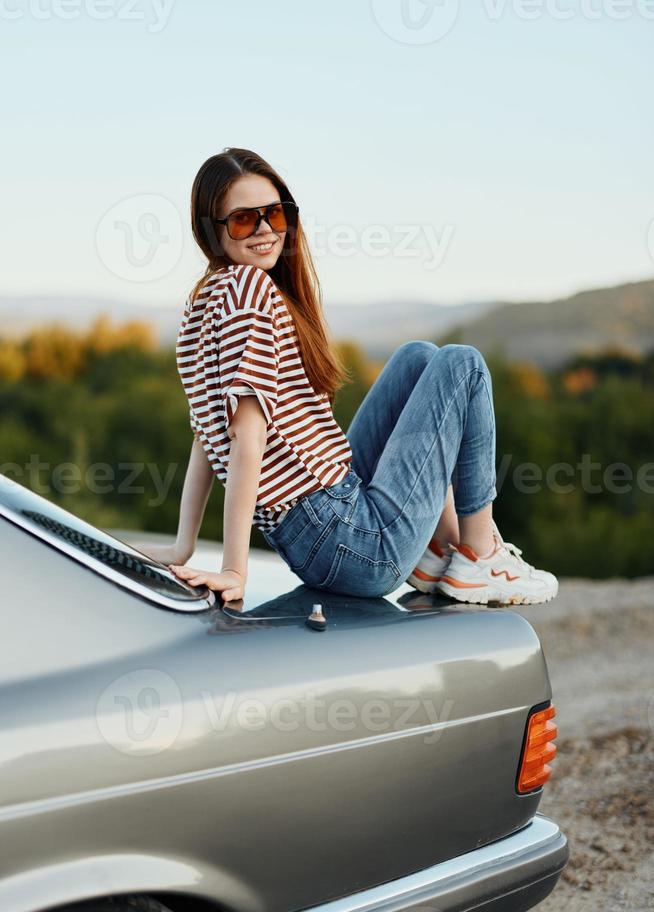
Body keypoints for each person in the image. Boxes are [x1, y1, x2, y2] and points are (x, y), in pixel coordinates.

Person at [143, 147, 558, 606]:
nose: (264, 230)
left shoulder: (203, 302)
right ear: (212, 231)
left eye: (275, 215)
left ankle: (441, 546)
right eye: (244, 220)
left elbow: (206, 432)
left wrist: (184, 544)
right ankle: (479, 558)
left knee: (417, 358)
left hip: (323, 529)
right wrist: (234, 569)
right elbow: (244, 435)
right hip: (355, 545)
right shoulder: (251, 289)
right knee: (463, 365)